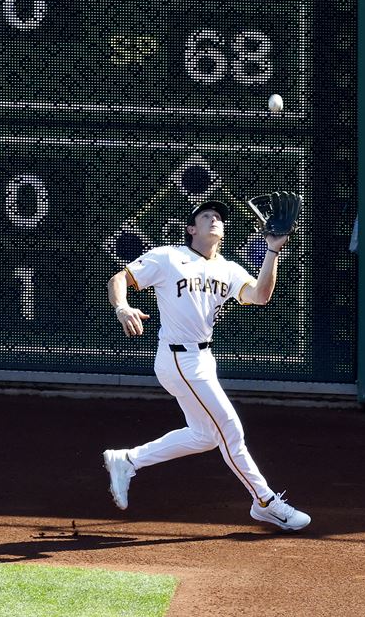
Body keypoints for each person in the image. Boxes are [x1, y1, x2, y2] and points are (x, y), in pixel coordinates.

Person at [102, 200, 311, 531]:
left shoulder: (227, 269)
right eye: (206, 216)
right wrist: (122, 307)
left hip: (202, 359)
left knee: (205, 436)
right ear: (191, 229)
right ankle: (265, 502)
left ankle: (127, 460)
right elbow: (119, 278)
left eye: (218, 218)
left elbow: (259, 295)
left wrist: (272, 252)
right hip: (177, 358)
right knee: (230, 428)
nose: (214, 220)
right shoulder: (169, 257)